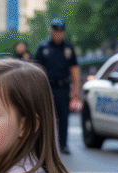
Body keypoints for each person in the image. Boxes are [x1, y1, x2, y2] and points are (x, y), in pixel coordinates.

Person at [33, 18, 79, 154]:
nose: (58, 34)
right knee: (46, 118)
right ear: (51, 31)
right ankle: (45, 145)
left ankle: (63, 144)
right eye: (56, 31)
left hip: (63, 88)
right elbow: (36, 69)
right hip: (47, 88)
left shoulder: (68, 49)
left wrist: (75, 91)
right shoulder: (43, 48)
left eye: (61, 31)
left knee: (64, 117)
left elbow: (74, 70)